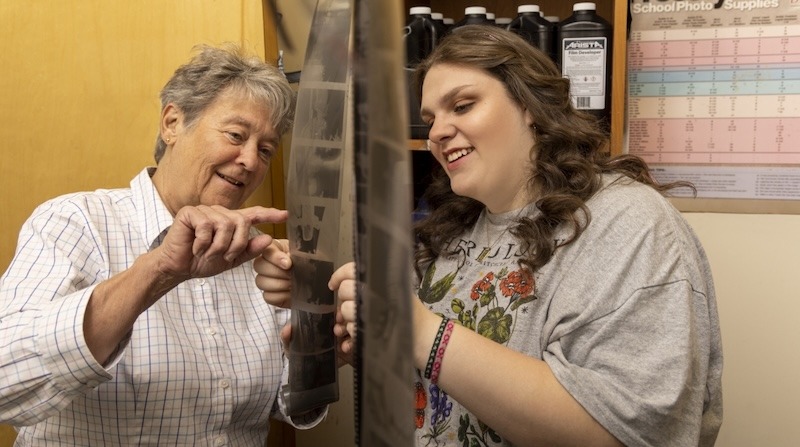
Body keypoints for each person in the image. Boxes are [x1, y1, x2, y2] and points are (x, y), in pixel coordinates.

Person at [258, 25, 723, 447]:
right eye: (430, 118)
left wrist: (420, 333)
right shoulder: (449, 230)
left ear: (531, 107)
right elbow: (429, 373)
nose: (438, 132)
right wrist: (334, 319)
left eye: (462, 106)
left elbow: (631, 431)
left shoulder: (630, 223)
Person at [0, 43, 326, 445]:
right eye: (235, 135)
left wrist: (322, 346)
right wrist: (159, 270)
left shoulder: (262, 256)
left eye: (265, 150)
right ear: (172, 123)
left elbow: (285, 404)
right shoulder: (76, 221)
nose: (250, 160)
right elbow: (5, 380)